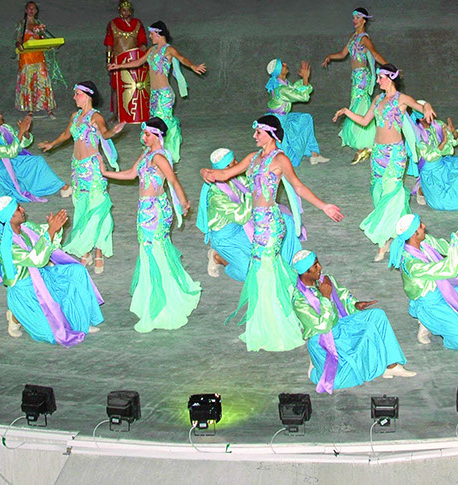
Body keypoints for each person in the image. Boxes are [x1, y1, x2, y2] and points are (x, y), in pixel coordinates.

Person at [201, 115, 343, 352]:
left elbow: (298, 187)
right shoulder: (253, 158)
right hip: (258, 224)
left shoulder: (280, 159)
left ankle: (273, 327)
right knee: (265, 271)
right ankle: (271, 320)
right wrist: (204, 171)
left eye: (258, 132)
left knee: (263, 271)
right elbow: (224, 175)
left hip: (271, 225)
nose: (254, 136)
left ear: (271, 133)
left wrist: (324, 206)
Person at [101, 117, 201, 332]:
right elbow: (131, 174)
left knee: (153, 251)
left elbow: (173, 180)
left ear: (158, 135)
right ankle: (155, 297)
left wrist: (183, 202)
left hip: (155, 211)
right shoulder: (147, 154)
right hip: (146, 209)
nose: (143, 137)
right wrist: (105, 173)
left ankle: (161, 304)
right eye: (144, 133)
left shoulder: (159, 157)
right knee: (151, 251)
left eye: (147, 134)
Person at [333, 63, 435, 261]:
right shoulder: (378, 99)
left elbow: (421, 107)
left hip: (395, 154)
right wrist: (346, 111)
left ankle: (384, 241)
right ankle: (392, 237)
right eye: (378, 77)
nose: (377, 80)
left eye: (380, 77)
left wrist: (428, 106)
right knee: (379, 194)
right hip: (378, 153)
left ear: (390, 78)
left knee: (391, 195)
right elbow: (364, 121)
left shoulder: (401, 99)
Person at [292, 249, 414, 393]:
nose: (320, 267)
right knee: (338, 381)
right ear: (305, 272)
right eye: (315, 266)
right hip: (324, 340)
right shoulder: (299, 300)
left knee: (377, 316)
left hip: (341, 325)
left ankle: (391, 366)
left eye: (318, 262)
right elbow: (323, 326)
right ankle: (315, 369)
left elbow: (342, 295)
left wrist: (355, 305)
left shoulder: (325, 280)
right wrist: (325, 297)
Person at [39, 81, 124, 274]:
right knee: (81, 207)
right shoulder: (75, 116)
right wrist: (52, 144)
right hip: (77, 169)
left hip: (92, 169)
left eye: (77, 93)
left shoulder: (96, 117)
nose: (74, 97)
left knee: (97, 209)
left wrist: (114, 131)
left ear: (87, 95)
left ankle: (99, 250)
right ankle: (86, 249)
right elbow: (66, 134)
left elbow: (105, 133)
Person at [0, 196, 103, 343]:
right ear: (10, 217)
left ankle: (82, 321)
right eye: (18, 208)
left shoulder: (27, 227)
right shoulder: (8, 247)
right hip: (26, 290)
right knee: (51, 335)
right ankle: (15, 315)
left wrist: (55, 229)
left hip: (43, 276)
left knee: (77, 271)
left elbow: (48, 241)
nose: (23, 209)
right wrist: (51, 230)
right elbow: (37, 260)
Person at [196, 148, 305, 280]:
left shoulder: (236, 179)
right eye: (233, 163)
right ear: (225, 168)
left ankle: (290, 263)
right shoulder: (215, 195)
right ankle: (218, 257)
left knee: (281, 226)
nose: (237, 164)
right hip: (225, 237)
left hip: (241, 229)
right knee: (249, 273)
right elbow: (242, 216)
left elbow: (251, 180)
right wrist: (253, 193)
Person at [108, 20, 206, 163]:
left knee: (162, 125)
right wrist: (119, 66)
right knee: (154, 124)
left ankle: (166, 157)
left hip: (164, 95)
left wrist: (193, 66)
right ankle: (156, 155)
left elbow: (182, 58)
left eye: (152, 33)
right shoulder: (152, 50)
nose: (150, 36)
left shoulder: (168, 49)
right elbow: (138, 62)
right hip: (154, 95)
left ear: (159, 33)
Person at [390, 214, 458, 351]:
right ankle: (429, 322)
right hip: (433, 306)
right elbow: (449, 269)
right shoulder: (411, 265)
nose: (424, 226)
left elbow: (448, 248)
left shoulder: (425, 242)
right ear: (414, 234)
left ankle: (450, 321)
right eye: (421, 225)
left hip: (445, 289)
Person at [323, 8, 387, 164]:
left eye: (358, 17)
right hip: (356, 77)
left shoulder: (364, 38)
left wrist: (389, 68)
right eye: (353, 17)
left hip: (362, 77)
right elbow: (343, 54)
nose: (354, 20)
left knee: (361, 105)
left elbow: (375, 54)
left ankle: (366, 144)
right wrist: (330, 56)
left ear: (364, 20)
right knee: (357, 104)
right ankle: (364, 143)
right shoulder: (353, 37)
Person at [0, 105, 70, 204]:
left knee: (37, 162)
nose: (1, 115)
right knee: (4, 199)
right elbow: (10, 152)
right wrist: (21, 132)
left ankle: (63, 187)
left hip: (11, 163)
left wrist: (25, 133)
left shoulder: (5, 128)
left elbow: (20, 145)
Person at [410, 106, 458, 210]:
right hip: (430, 172)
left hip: (443, 164)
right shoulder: (416, 133)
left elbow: (455, 142)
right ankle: (421, 189)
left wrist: (454, 132)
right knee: (447, 203)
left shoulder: (437, 125)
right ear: (421, 118)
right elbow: (429, 157)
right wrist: (443, 142)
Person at [265, 59, 327, 166]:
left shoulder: (283, 84)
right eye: (282, 64)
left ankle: (314, 154)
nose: (286, 64)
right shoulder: (281, 89)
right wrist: (305, 78)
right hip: (278, 124)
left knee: (306, 119)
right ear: (279, 71)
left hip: (282, 119)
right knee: (288, 160)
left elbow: (296, 89)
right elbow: (303, 97)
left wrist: (304, 79)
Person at [104, 0, 147, 119]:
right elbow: (109, 44)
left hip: (134, 60)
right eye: (124, 10)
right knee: (115, 88)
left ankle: (136, 112)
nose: (126, 12)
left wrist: (143, 54)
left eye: (128, 10)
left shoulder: (137, 23)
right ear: (120, 11)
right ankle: (116, 114)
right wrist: (108, 61)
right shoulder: (113, 24)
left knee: (136, 86)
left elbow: (142, 42)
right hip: (117, 60)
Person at [14, 1, 57, 117]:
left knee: (43, 81)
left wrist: (42, 33)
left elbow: (44, 39)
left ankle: (48, 108)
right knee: (29, 82)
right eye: (29, 8)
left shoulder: (39, 24)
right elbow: (17, 39)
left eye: (33, 8)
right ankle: (30, 109)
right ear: (25, 10)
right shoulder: (22, 24)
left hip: (38, 56)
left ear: (36, 11)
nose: (31, 10)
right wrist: (19, 45)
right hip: (27, 57)